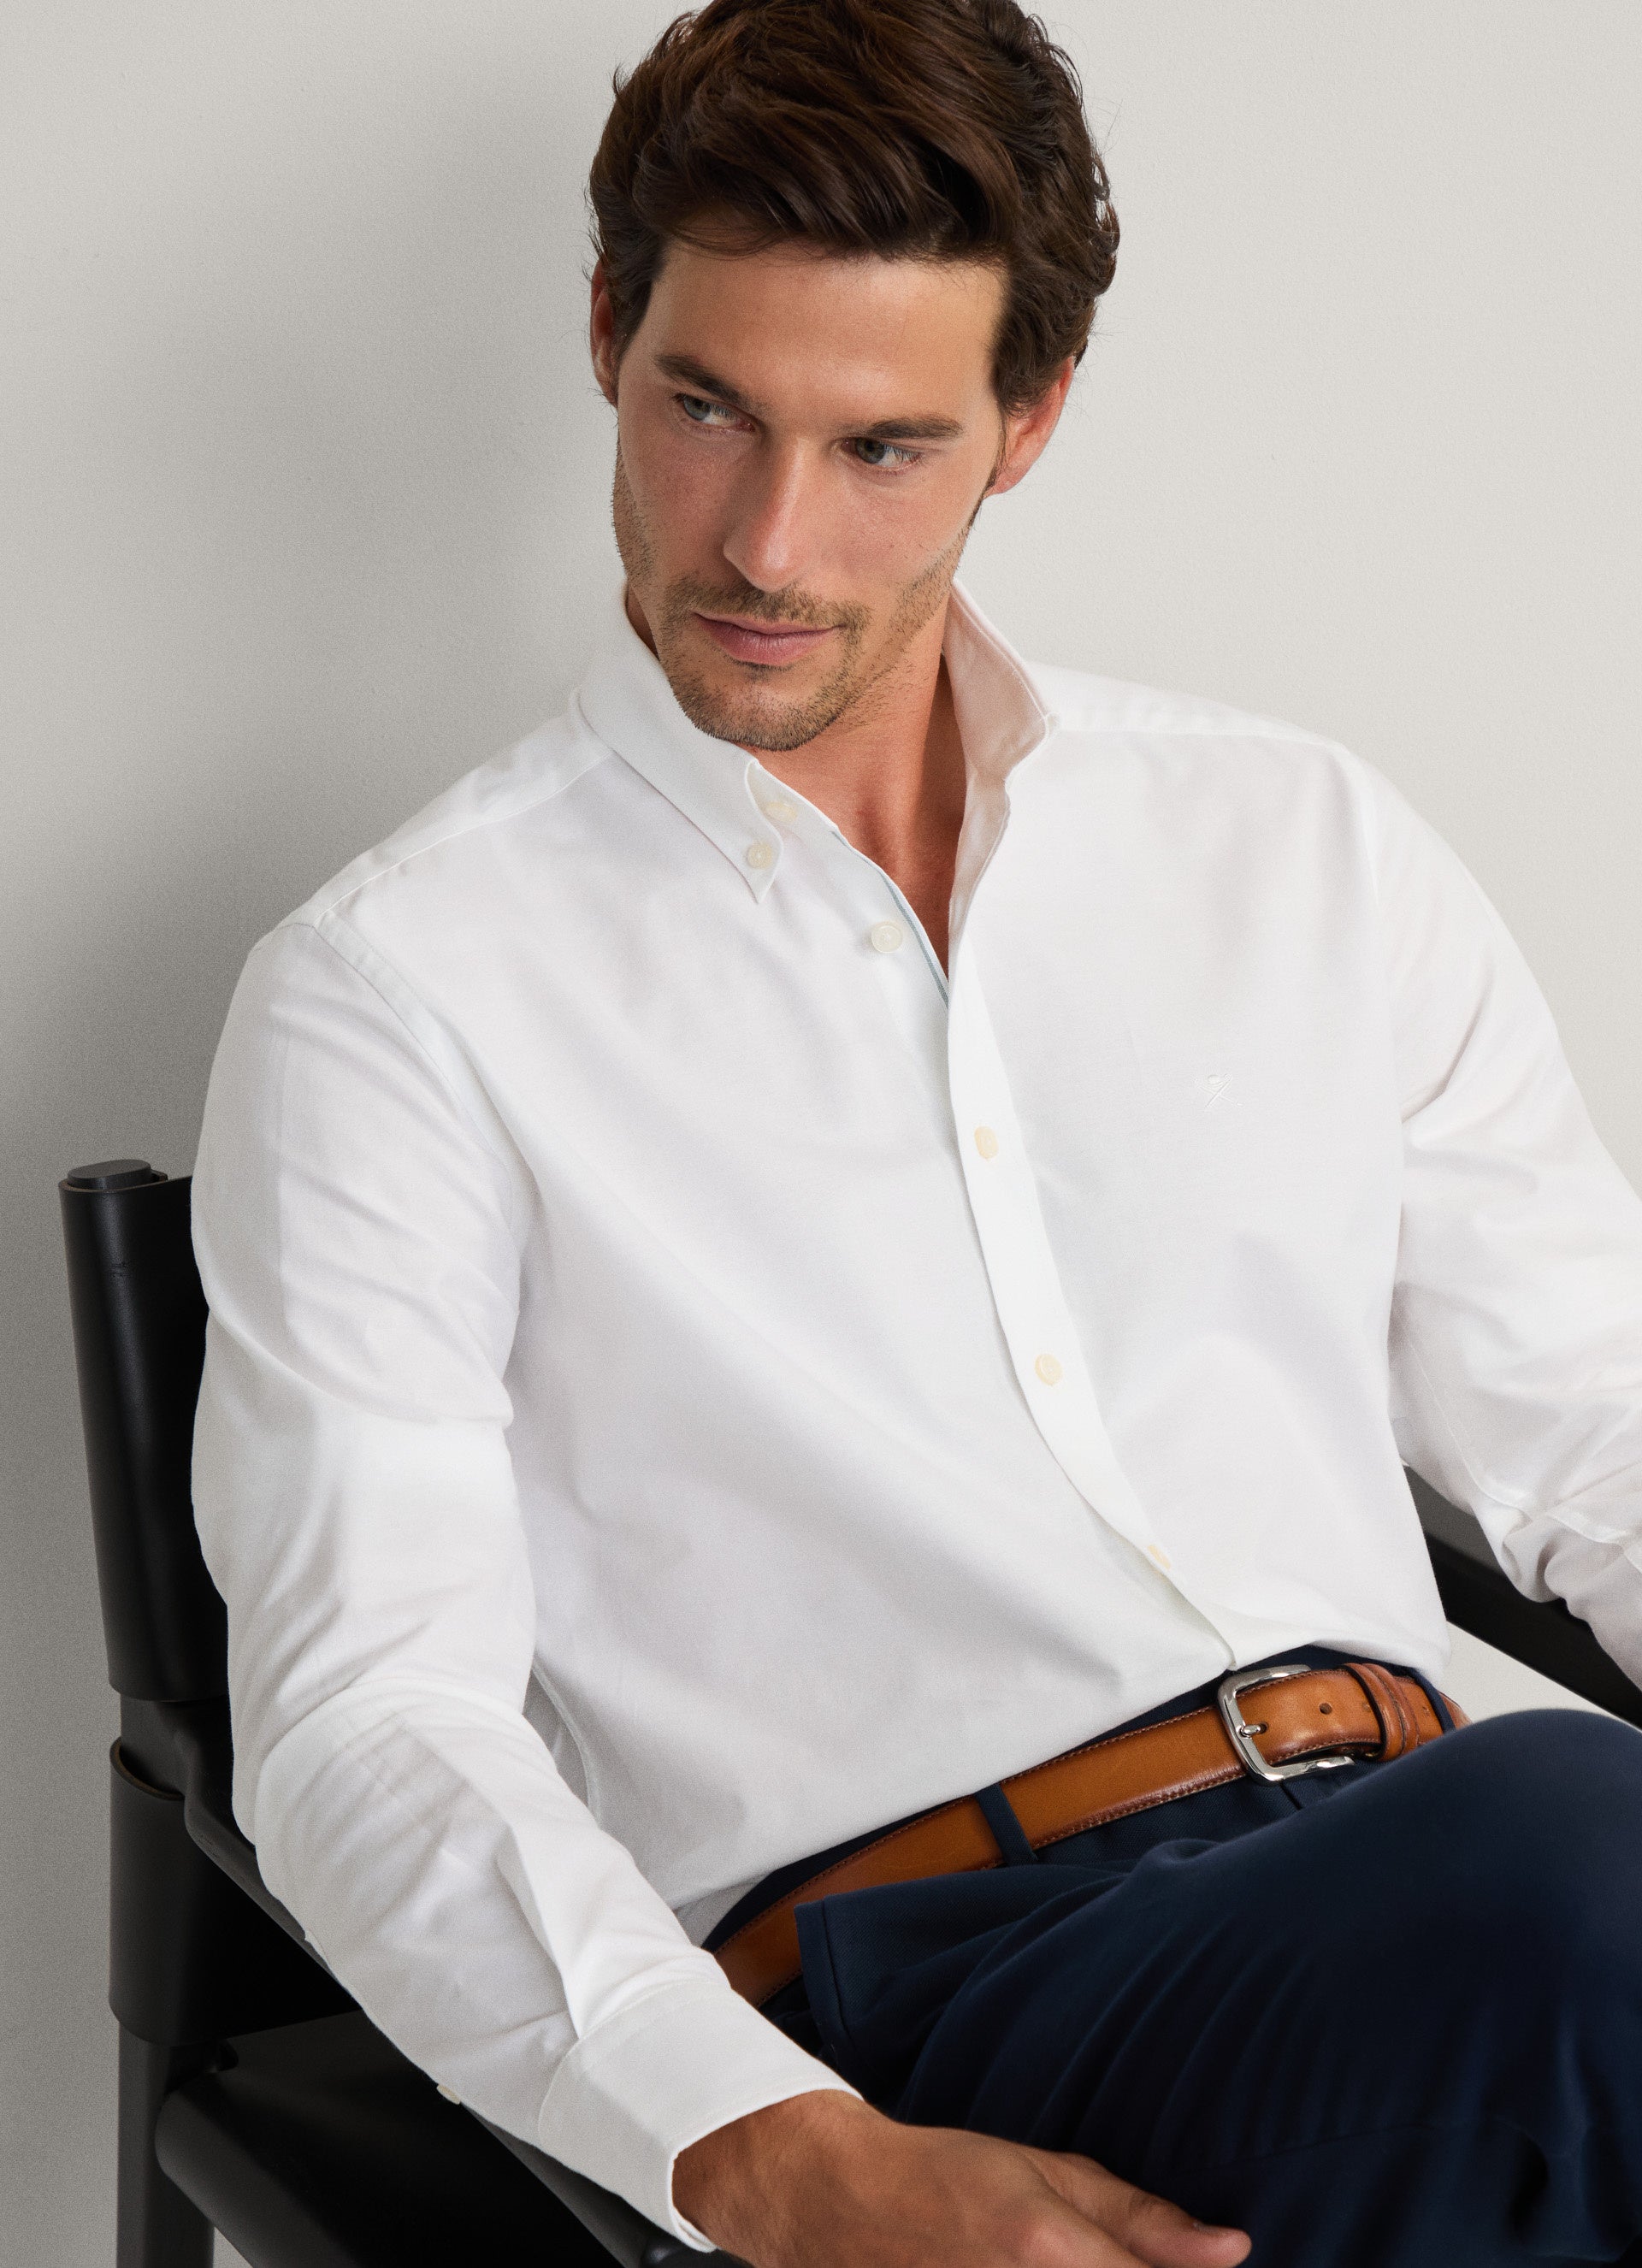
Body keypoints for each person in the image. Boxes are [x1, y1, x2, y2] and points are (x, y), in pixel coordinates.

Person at [189, 3, 1642, 2263]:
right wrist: (784, 2159)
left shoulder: (1296, 847)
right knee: (1583, 1857)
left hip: (1437, 1882)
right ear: (607, 329)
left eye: (882, 446)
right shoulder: (402, 995)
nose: (767, 543)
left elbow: (1599, 1422)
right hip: (942, 1979)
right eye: (706, 411)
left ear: (1027, 423)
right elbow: (371, 1715)